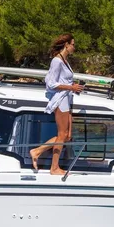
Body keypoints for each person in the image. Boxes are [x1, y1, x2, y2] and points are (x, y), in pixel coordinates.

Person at [29, 34, 83, 175]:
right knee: (62, 134)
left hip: (67, 98)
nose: (74, 47)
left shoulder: (65, 61)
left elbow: (64, 81)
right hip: (60, 100)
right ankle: (54, 168)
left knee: (68, 135)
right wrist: (71, 88)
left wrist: (73, 88)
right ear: (66, 44)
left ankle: (37, 151)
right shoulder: (57, 61)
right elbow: (51, 84)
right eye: (73, 44)